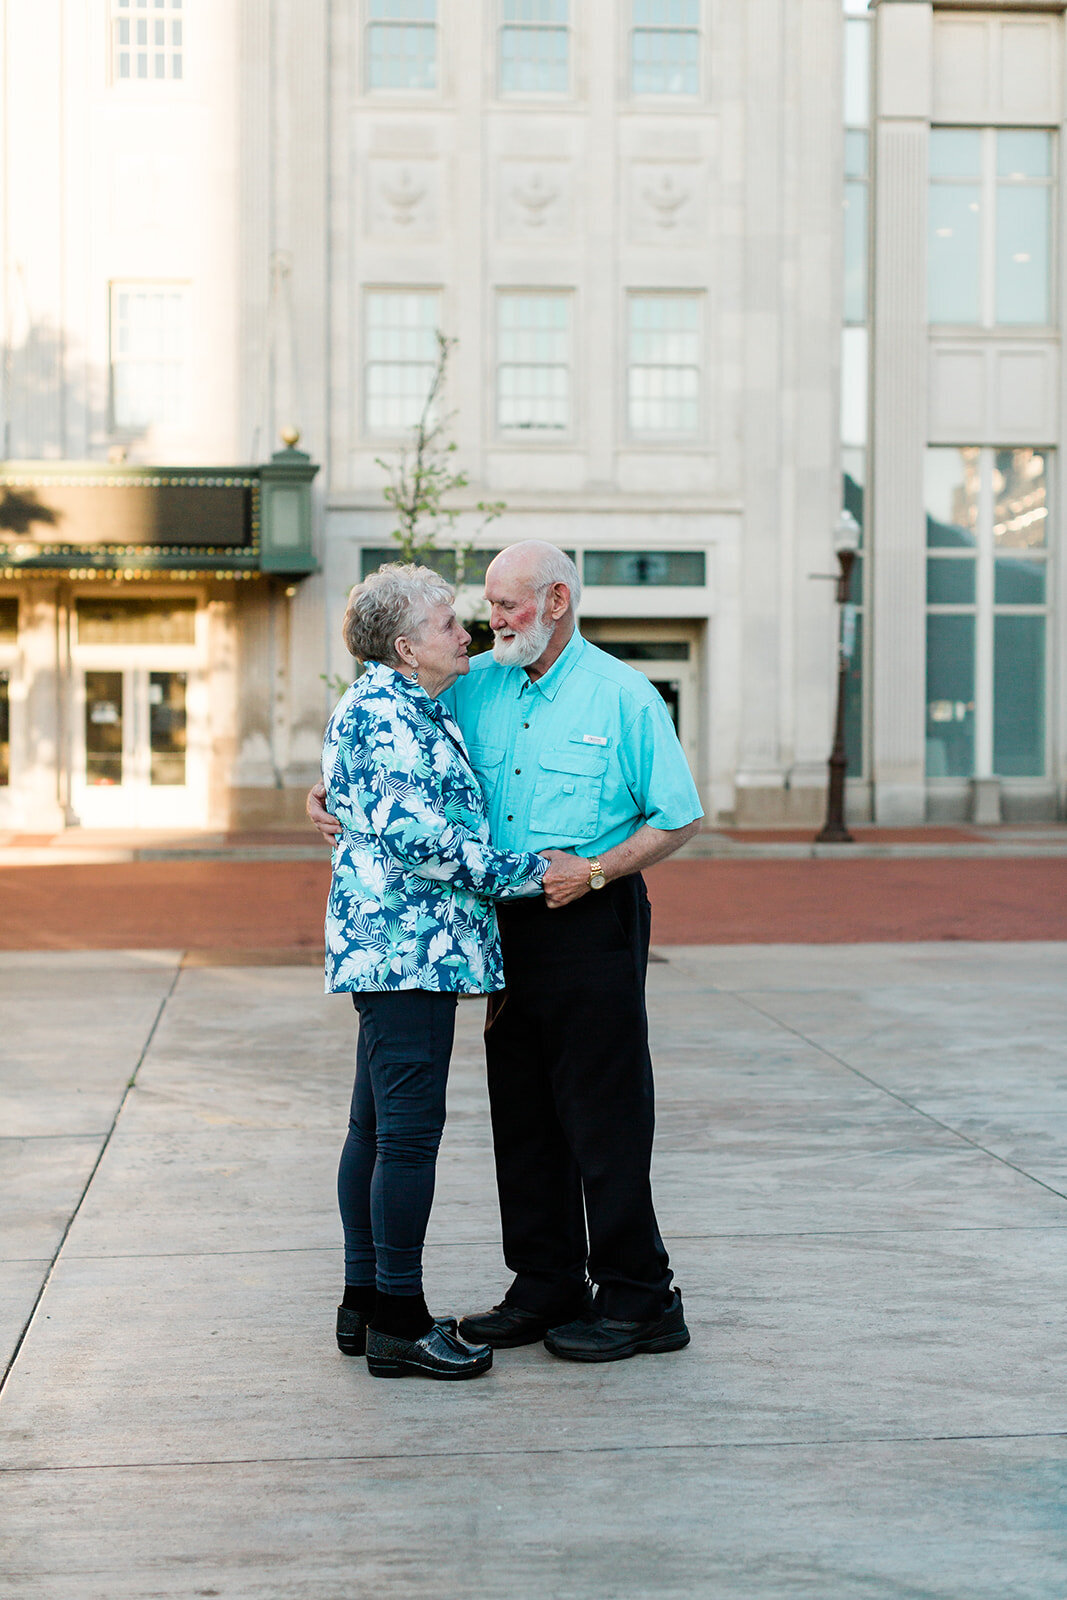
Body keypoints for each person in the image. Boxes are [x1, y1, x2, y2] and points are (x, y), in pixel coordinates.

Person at [310, 541, 703, 1363]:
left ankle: (639, 1297)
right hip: (495, 923)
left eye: (507, 606)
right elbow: (393, 758)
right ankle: (545, 1282)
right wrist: (334, 792)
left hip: (589, 913)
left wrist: (594, 871)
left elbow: (677, 817)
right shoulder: (473, 684)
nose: (491, 622)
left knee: (603, 1114)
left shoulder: (624, 697)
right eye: (482, 608)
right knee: (521, 1112)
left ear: (556, 601)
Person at [323, 562, 576, 1381]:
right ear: (404, 646)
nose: (462, 631)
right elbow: (421, 841)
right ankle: (398, 1318)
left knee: (375, 1129)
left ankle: (366, 1302)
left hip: (401, 947)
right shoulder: (386, 716)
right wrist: (536, 871)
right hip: (408, 952)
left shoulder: (396, 705)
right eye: (444, 624)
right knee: (405, 1137)